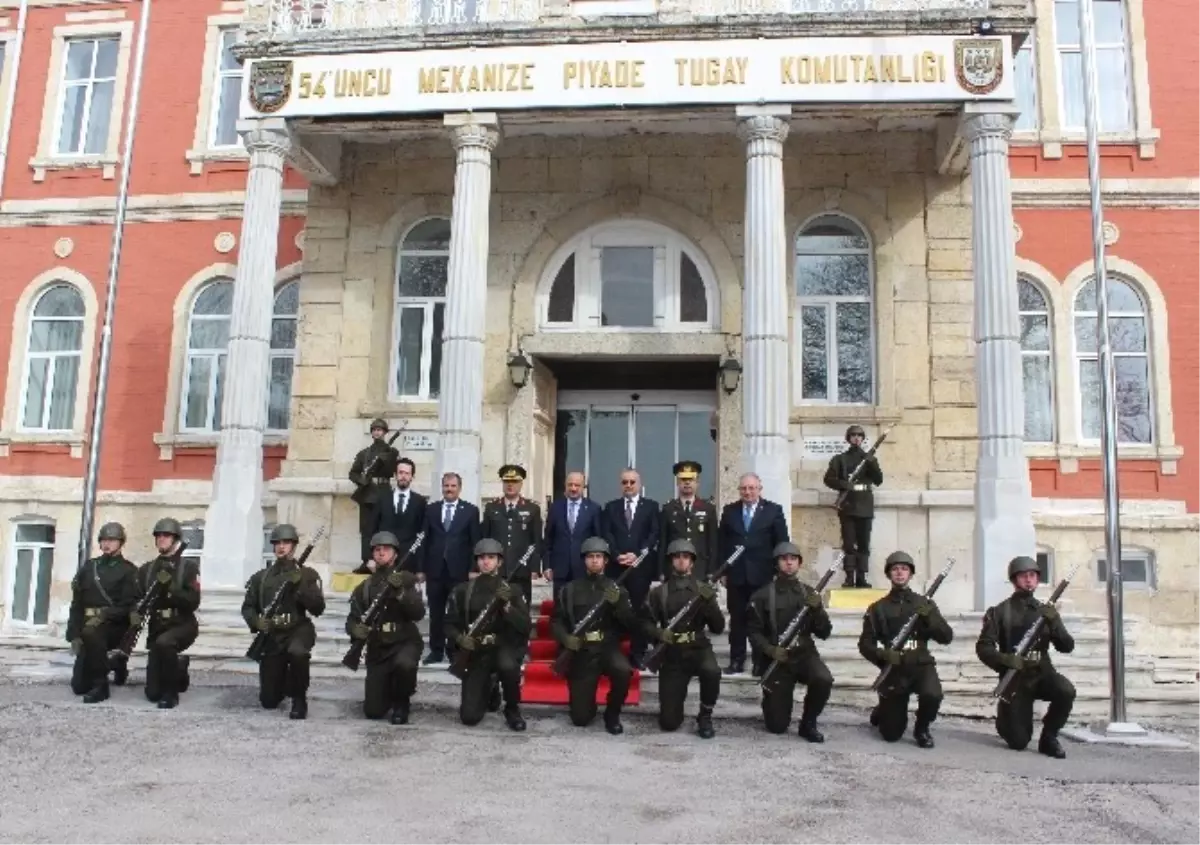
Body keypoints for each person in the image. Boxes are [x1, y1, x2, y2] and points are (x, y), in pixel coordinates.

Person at [976, 555, 1077, 759]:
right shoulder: (1000, 612)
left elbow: (1067, 647)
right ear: (1014, 580)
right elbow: (984, 647)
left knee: (1066, 691)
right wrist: (1004, 660)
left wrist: (1054, 622)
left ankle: (1049, 737)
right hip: (1016, 679)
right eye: (1023, 576)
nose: (1029, 580)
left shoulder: (1046, 611)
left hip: (1042, 673)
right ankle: (1006, 717)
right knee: (1018, 742)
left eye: (1032, 576)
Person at [858, 551, 954, 748]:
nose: (900, 573)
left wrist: (930, 618)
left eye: (904, 569)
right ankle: (882, 709)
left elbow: (946, 637)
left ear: (910, 574)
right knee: (891, 735)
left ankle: (922, 728)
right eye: (895, 569)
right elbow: (865, 644)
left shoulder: (924, 604)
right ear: (888, 574)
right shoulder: (878, 608)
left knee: (932, 695)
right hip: (894, 668)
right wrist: (883, 655)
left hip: (921, 665)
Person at [747, 542, 834, 743]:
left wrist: (817, 610)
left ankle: (808, 723)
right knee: (776, 727)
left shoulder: (809, 593)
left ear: (799, 564)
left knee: (824, 679)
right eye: (784, 559)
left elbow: (824, 632)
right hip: (777, 658)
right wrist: (769, 650)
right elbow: (753, 632)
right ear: (777, 564)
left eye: (793, 559)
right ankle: (772, 700)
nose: (789, 563)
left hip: (804, 655)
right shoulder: (762, 596)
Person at [639, 539, 725, 739]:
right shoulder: (658, 593)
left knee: (712, 671)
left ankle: (705, 715)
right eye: (676, 557)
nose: (681, 561)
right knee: (669, 723)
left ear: (692, 562)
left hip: (698, 648)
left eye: (685, 557)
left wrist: (709, 602)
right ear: (671, 561)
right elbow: (644, 623)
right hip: (672, 653)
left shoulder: (703, 590)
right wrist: (659, 634)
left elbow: (718, 627)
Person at [551, 537, 638, 735]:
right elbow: (556, 621)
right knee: (581, 719)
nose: (595, 560)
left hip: (606, 648)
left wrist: (619, 605)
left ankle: (612, 713)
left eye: (599, 556)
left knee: (623, 670)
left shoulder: (617, 589)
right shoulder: (570, 589)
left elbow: (631, 625)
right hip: (580, 650)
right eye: (590, 556)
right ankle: (586, 706)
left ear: (606, 561)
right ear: (584, 560)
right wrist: (566, 639)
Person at [241, 524, 326, 720]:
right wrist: (257, 621)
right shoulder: (261, 578)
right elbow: (248, 607)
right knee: (269, 701)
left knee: (298, 652)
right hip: (273, 635)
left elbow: (318, 608)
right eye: (277, 543)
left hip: (298, 629)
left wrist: (300, 588)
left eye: (286, 542)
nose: (281, 547)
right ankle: (285, 681)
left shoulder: (307, 574)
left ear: (294, 546)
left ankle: (299, 698)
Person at [445, 539, 531, 731]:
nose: (486, 562)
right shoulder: (463, 590)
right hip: (476, 651)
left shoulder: (513, 590)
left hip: (502, 647)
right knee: (469, 717)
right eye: (482, 558)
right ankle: (490, 688)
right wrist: (460, 639)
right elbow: (449, 625)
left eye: (491, 557)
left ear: (499, 562)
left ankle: (512, 708)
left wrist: (508, 607)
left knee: (508, 667)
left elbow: (525, 626)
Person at [346, 532, 426, 725]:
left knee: (404, 665)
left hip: (404, 642)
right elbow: (352, 619)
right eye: (377, 549)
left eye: (386, 549)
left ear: (395, 555)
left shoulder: (407, 580)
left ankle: (402, 702)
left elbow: (418, 613)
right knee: (373, 712)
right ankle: (389, 687)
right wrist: (355, 630)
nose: (381, 553)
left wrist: (400, 593)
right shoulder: (364, 587)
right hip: (378, 648)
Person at [716, 472, 789, 675]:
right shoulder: (730, 511)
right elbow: (721, 542)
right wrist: (722, 570)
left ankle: (760, 662)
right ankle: (736, 661)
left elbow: (781, 543)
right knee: (737, 620)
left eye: (751, 488)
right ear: (739, 490)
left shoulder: (773, 510)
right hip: (736, 576)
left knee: (760, 621)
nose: (747, 492)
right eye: (744, 488)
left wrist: (779, 572)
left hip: (763, 576)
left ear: (759, 489)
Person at [66, 522, 139, 703]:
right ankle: (114, 663)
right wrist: (73, 635)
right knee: (79, 687)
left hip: (113, 627)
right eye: (104, 540)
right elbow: (77, 604)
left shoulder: (128, 571)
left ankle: (101, 686)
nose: (107, 544)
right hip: (87, 627)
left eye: (112, 540)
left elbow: (127, 606)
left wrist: (104, 615)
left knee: (92, 632)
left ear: (121, 543)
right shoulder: (89, 567)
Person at [133, 518, 201, 709]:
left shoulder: (188, 568)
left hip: (182, 624)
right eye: (159, 536)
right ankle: (178, 667)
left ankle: (171, 694)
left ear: (176, 539)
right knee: (152, 693)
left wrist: (170, 588)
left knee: (166, 643)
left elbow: (193, 602)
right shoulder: (146, 570)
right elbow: (137, 598)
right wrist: (135, 613)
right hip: (157, 628)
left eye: (167, 535)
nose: (162, 539)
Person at [420, 471, 482, 665]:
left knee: (457, 613)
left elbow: (475, 542)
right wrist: (421, 569)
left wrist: (474, 568)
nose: (449, 489)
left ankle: (455, 650)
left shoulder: (470, 511)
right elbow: (423, 541)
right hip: (435, 570)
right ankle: (436, 651)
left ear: (459, 488)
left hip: (459, 571)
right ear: (442, 487)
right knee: (436, 612)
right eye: (446, 486)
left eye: (453, 486)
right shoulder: (431, 510)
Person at [603, 468, 660, 668]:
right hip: (616, 568)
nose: (628, 486)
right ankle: (613, 653)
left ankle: (638, 653)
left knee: (638, 611)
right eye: (625, 482)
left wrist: (638, 554)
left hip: (640, 568)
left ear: (639, 484)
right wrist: (617, 553)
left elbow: (653, 534)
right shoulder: (611, 507)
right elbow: (607, 534)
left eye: (632, 482)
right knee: (615, 610)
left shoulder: (651, 507)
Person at [823, 424, 884, 588]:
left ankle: (862, 577)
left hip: (864, 503)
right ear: (848, 438)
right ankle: (849, 576)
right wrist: (844, 484)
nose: (856, 438)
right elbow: (828, 479)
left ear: (863, 439)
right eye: (853, 435)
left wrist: (871, 463)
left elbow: (878, 480)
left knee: (864, 543)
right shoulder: (840, 459)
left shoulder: (869, 459)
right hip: (848, 504)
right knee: (849, 544)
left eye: (859, 435)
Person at [482, 464, 543, 607]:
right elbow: (485, 538)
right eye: (506, 481)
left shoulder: (532, 508)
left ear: (521, 484)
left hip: (521, 568)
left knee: (521, 609)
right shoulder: (492, 508)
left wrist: (534, 568)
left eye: (514, 482)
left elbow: (536, 541)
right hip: (496, 569)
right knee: (495, 609)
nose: (510, 485)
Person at [349, 418, 400, 570]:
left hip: (384, 492)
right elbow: (353, 473)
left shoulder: (392, 452)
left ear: (385, 433)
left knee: (384, 529)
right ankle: (367, 561)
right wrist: (361, 480)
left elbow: (393, 471)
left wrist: (387, 460)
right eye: (375, 430)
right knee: (366, 530)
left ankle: (385, 561)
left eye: (380, 430)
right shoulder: (363, 454)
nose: (377, 432)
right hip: (368, 493)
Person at [361, 456, 425, 575]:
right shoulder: (382, 498)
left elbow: (422, 536)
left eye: (407, 473)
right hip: (383, 561)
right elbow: (369, 530)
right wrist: (368, 558)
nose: (403, 476)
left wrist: (421, 569)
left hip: (409, 563)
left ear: (412, 477)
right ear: (395, 475)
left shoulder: (420, 502)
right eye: (400, 473)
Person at [543, 471, 604, 592]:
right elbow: (548, 539)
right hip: (560, 569)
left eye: (577, 485)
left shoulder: (593, 509)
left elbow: (597, 540)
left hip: (584, 569)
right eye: (570, 485)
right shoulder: (555, 507)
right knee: (560, 607)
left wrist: (597, 566)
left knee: (582, 607)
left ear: (583, 487)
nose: (573, 488)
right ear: (565, 486)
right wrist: (547, 566)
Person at [659, 460, 719, 581]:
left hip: (700, 569)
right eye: (683, 480)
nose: (687, 483)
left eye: (690, 480)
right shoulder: (668, 509)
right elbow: (663, 543)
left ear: (697, 482)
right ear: (677, 482)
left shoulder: (708, 508)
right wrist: (661, 571)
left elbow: (713, 543)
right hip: (674, 569)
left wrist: (712, 571)